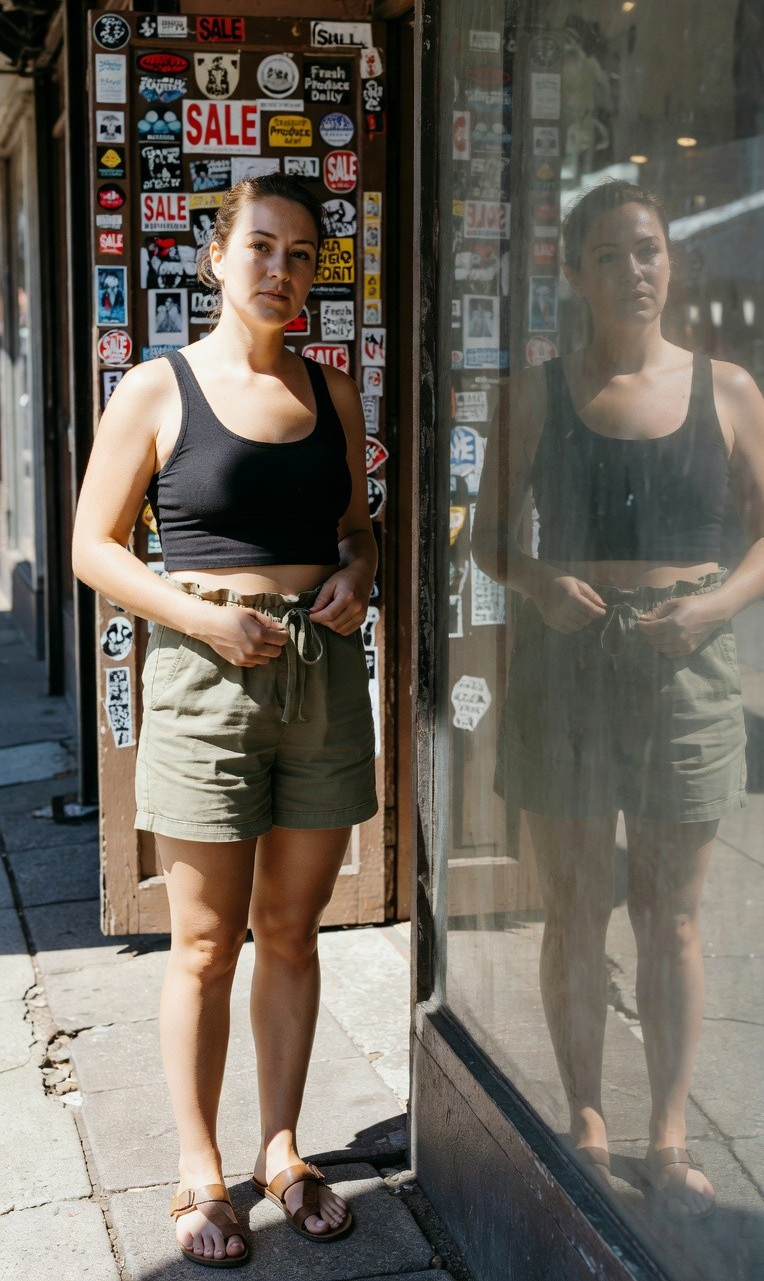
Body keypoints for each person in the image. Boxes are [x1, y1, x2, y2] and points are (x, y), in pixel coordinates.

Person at [472, 179, 764, 1219]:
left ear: (672, 262)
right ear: (575, 273)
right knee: (574, 905)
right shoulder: (534, 395)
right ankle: (585, 1121)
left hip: (685, 665)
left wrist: (714, 607)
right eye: (608, 255)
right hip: (566, 664)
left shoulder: (728, 391)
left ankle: (669, 1134)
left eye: (647, 250)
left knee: (673, 914)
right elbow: (487, 540)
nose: (633, 271)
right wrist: (536, 583)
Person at [72, 174, 377, 1265]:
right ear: (215, 257)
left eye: (301, 255)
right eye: (260, 246)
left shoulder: (332, 392)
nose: (280, 270)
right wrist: (200, 618)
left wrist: (360, 574)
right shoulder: (158, 390)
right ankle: (199, 1169)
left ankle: (281, 1148)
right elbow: (94, 546)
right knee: (204, 943)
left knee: (292, 929)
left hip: (321, 679)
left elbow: (355, 526)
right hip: (205, 683)